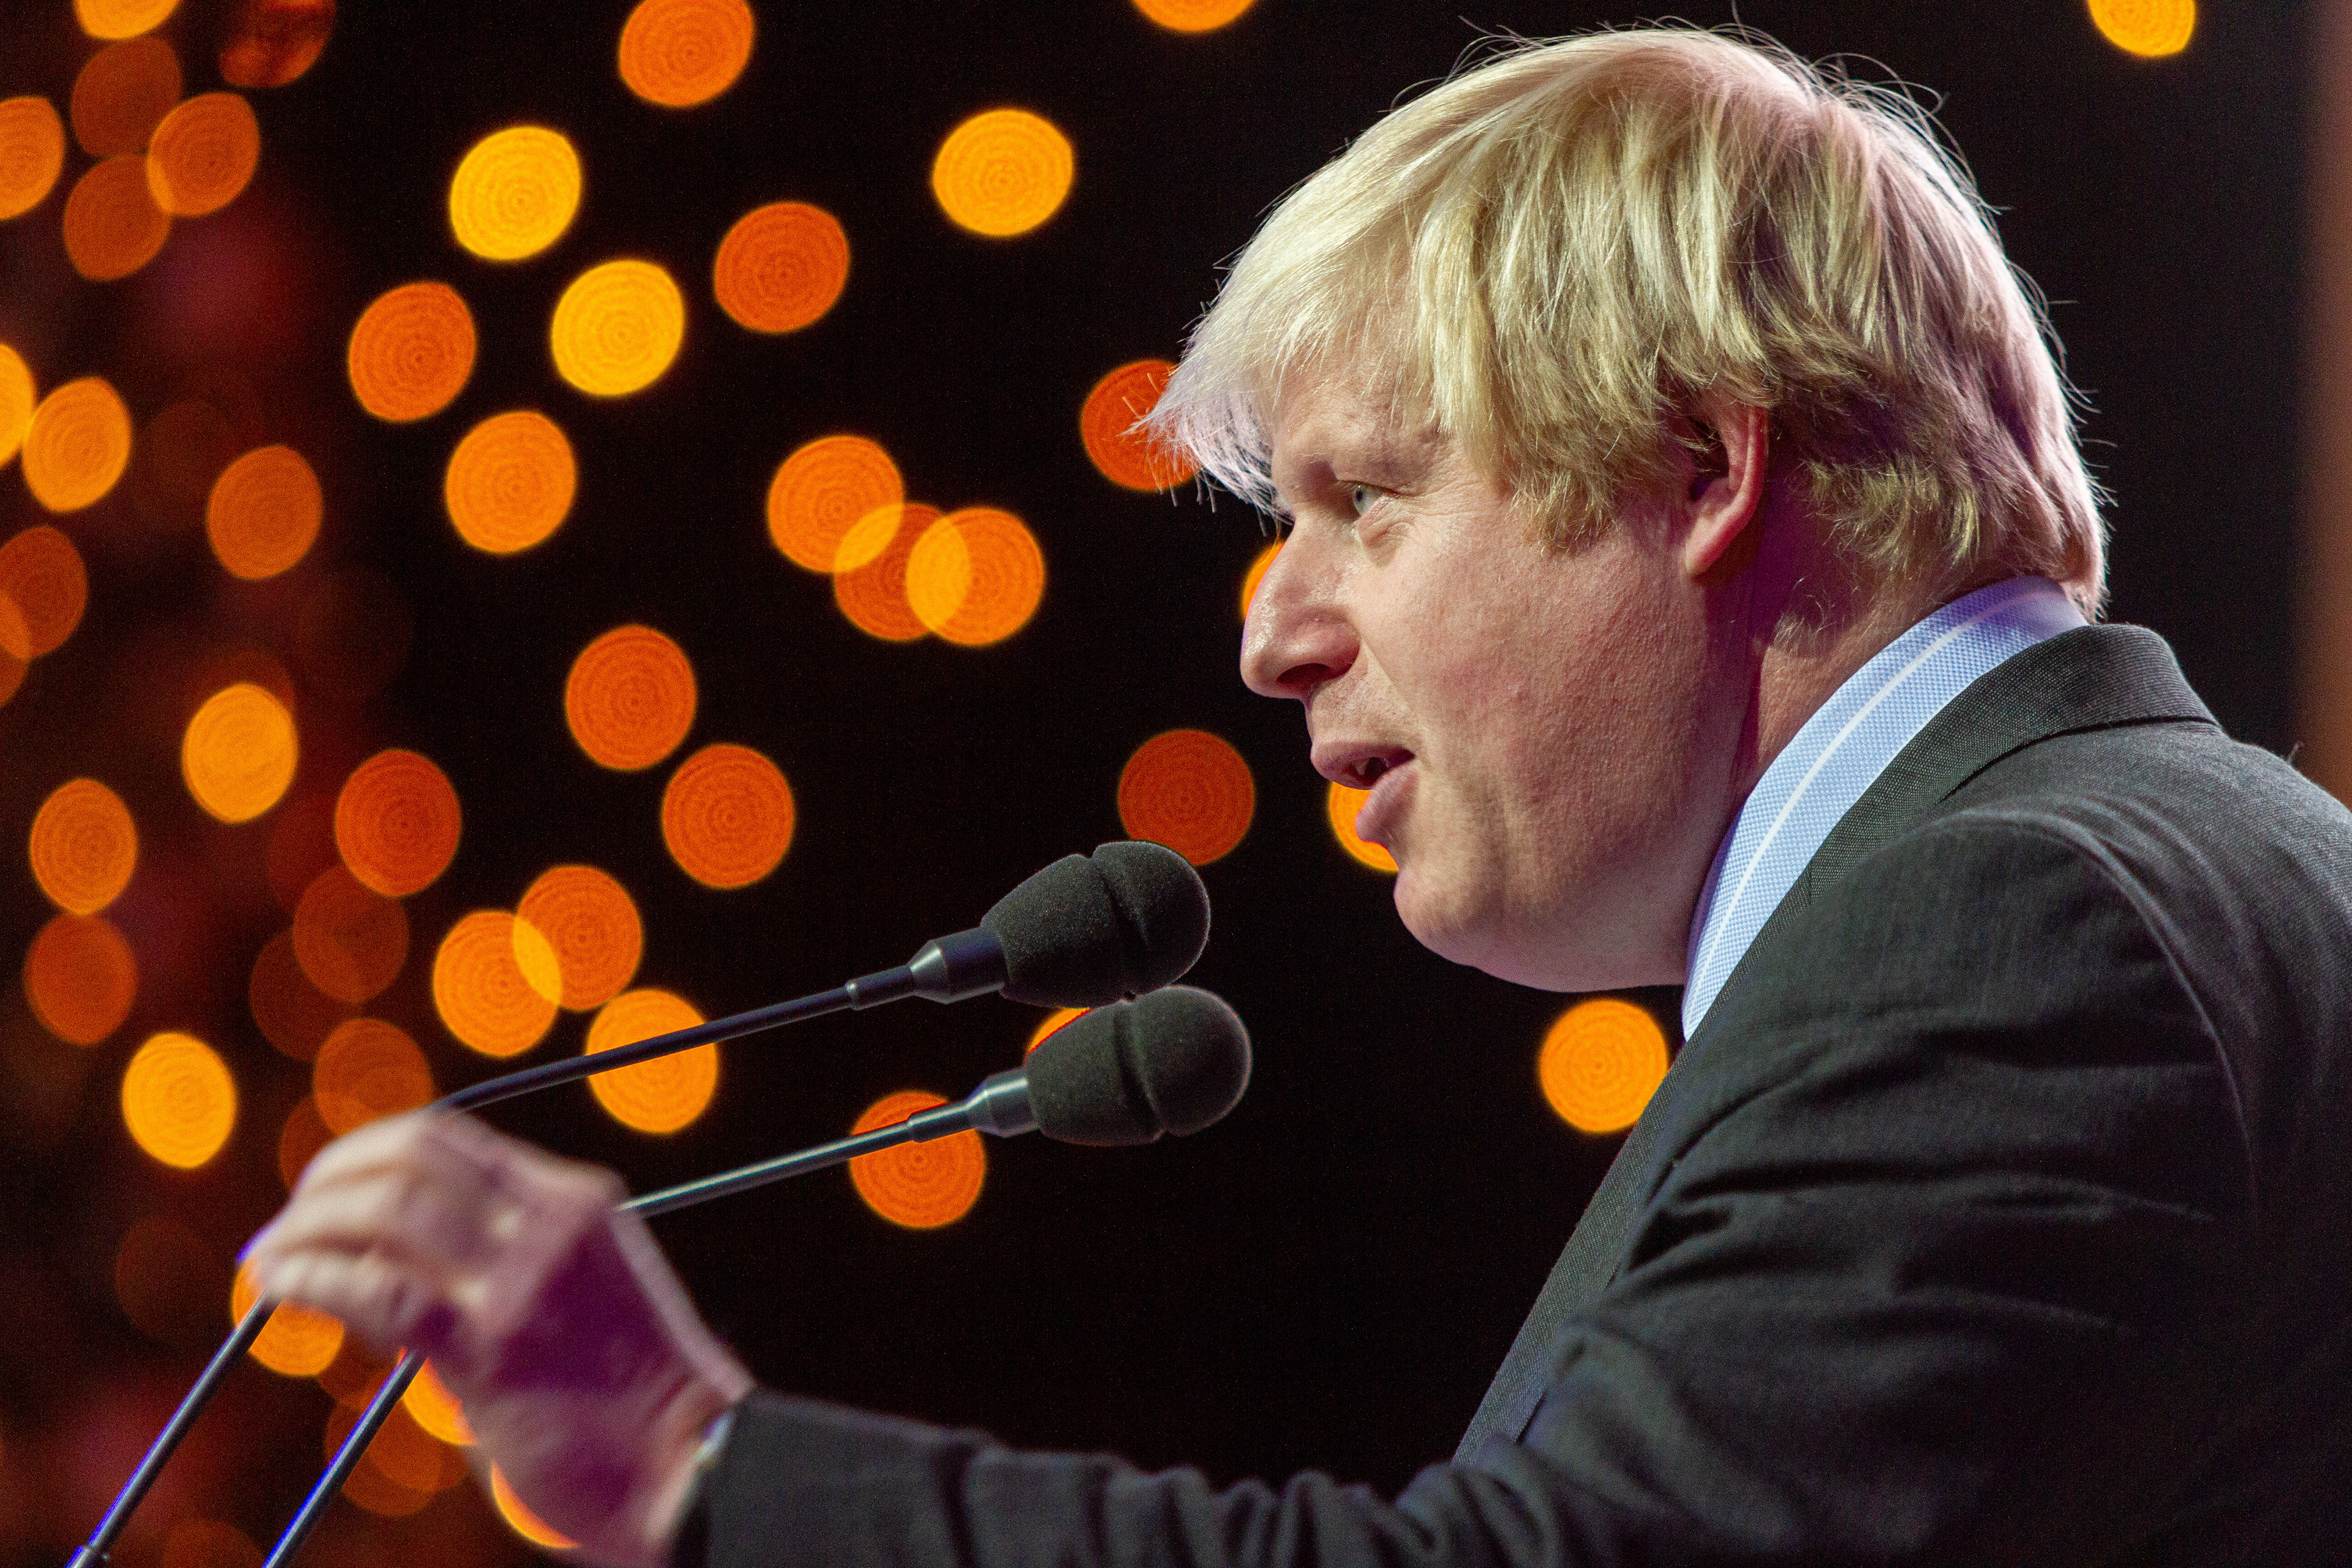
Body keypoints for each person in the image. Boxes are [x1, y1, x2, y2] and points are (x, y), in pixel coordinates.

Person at [241, 25, 2352, 1567]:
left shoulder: (2024, 922)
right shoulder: (2130, 866)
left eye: (1368, 500)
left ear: (1703, 472)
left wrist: (687, 1456)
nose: (1274, 635)